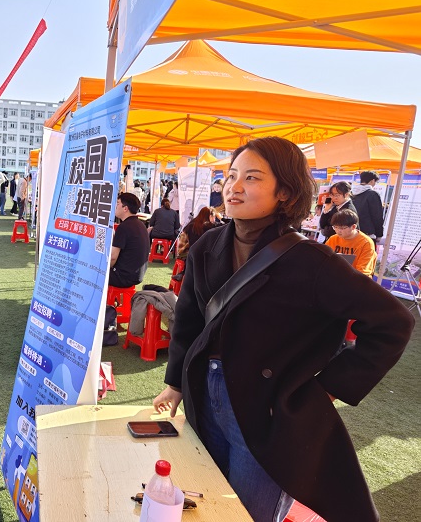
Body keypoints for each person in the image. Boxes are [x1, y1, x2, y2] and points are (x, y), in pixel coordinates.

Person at [152, 136, 413, 522]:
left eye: (252, 177)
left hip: (267, 409)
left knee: (252, 513)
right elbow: (189, 319)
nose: (234, 186)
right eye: (232, 175)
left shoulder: (311, 261)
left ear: (285, 192)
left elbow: (393, 321)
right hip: (203, 394)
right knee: (204, 503)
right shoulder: (207, 245)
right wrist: (175, 382)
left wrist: (328, 387)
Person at [110, 193, 150, 288]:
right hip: (137, 274)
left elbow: (112, 258)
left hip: (123, 276)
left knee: (92, 272)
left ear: (125, 208)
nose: (115, 206)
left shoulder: (124, 227)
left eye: (118, 203)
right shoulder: (140, 225)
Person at [325, 209, 377, 277]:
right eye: (335, 227)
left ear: (353, 227)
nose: (338, 231)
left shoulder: (366, 243)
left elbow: (363, 271)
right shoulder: (333, 239)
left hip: (355, 279)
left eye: (342, 228)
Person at [352, 171, 384, 244]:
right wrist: (379, 234)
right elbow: (377, 215)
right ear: (372, 180)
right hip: (367, 233)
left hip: (352, 232)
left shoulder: (351, 193)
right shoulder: (373, 194)